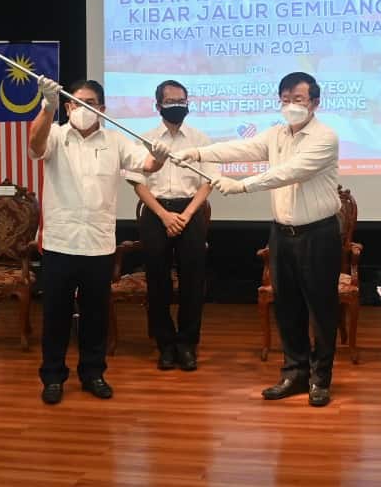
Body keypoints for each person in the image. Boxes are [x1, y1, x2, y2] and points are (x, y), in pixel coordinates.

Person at [175, 72, 341, 407]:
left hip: (318, 234)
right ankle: (294, 372)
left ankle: (320, 377)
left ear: (315, 103)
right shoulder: (276, 134)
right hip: (282, 234)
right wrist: (197, 153)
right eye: (285, 99)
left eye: (299, 99)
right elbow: (242, 148)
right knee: (288, 307)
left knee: (321, 308)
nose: (291, 106)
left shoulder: (325, 137)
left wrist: (242, 185)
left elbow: (291, 171)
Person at [30, 78, 170, 405]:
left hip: (98, 244)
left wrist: (160, 157)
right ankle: (53, 376)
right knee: (55, 315)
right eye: (76, 102)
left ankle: (93, 372)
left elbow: (147, 164)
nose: (82, 108)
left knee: (96, 315)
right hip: (60, 242)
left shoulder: (116, 142)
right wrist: (47, 106)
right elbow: (35, 146)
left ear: (103, 109)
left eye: (90, 102)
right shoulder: (55, 135)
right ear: (67, 106)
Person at [124, 80, 216, 372]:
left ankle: (187, 344)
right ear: (158, 105)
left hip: (190, 211)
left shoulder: (200, 138)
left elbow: (207, 182)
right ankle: (165, 345)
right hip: (155, 212)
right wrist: (164, 215)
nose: (178, 106)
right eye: (171, 101)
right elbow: (137, 182)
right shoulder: (145, 138)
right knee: (158, 282)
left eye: (182, 100)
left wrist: (186, 216)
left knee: (192, 282)